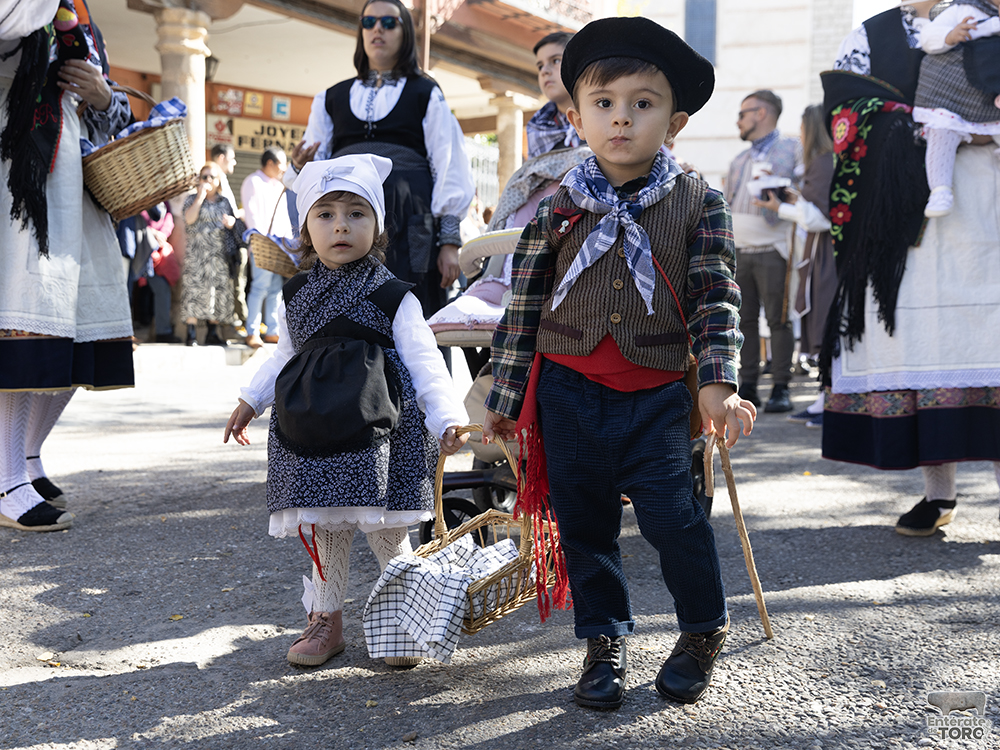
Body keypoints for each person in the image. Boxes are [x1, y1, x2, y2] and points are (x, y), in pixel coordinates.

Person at [483, 17, 755, 709]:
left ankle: (702, 629)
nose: (622, 119)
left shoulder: (700, 202)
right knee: (584, 524)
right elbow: (524, 305)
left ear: (676, 120)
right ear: (577, 117)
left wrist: (718, 387)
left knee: (674, 520)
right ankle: (603, 639)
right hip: (568, 393)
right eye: (604, 104)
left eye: (643, 103)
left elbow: (715, 298)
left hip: (658, 396)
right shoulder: (559, 207)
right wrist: (507, 398)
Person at [224, 154, 468, 667]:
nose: (341, 225)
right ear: (305, 226)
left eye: (356, 213)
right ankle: (325, 620)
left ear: (377, 226)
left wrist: (445, 416)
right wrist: (250, 398)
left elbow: (425, 358)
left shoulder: (393, 295)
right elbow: (283, 355)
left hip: (380, 430)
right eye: (325, 214)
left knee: (386, 529)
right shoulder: (296, 295)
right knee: (327, 526)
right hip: (313, 427)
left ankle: (405, 621)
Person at [822, 1, 1000, 536]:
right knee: (927, 341)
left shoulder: (985, 17)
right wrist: (922, 124)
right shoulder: (870, 36)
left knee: (992, 339)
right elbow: (843, 114)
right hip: (907, 219)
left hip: (989, 200)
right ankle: (937, 494)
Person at [0, 0, 134, 532]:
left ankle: (26, 461)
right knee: (30, 322)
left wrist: (102, 94)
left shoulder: (78, 9)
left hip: (73, 181)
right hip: (19, 178)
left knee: (80, 327)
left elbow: (111, 114)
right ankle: (6, 480)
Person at [286, 0, 474, 324]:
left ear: (405, 32)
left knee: (415, 310)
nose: (377, 29)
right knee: (347, 311)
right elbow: (312, 173)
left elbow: (449, 163)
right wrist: (298, 168)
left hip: (411, 215)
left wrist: (449, 242)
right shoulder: (330, 97)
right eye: (369, 22)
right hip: (350, 214)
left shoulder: (425, 92)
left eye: (388, 22)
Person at [752, 104, 835, 429]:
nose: (798, 135)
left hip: (826, 254)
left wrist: (782, 207)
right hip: (818, 253)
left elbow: (821, 217)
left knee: (826, 322)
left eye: (801, 129)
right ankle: (824, 398)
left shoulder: (824, 164)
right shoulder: (824, 163)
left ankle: (829, 398)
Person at [725, 90, 801, 414]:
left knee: (778, 319)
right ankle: (750, 385)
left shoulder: (794, 148)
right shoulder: (738, 159)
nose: (738, 121)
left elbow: (804, 194)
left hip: (773, 247)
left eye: (743, 114)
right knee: (744, 322)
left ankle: (782, 386)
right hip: (739, 250)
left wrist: (783, 191)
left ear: (760, 113)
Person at [913, 0, 1000, 217]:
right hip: (951, 95)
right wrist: (950, 36)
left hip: (990, 99)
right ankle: (940, 190)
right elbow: (927, 37)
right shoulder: (963, 10)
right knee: (942, 132)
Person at [181, 162, 238, 346]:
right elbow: (189, 219)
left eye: (211, 177)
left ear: (218, 180)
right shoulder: (192, 199)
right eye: (204, 177)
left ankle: (212, 333)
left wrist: (231, 223)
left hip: (219, 253)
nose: (207, 180)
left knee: (217, 291)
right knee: (194, 290)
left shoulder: (225, 201)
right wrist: (200, 196)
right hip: (197, 253)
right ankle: (191, 334)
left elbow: (233, 223)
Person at [242, 147, 292, 348]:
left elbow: (284, 218)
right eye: (281, 163)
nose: (284, 168)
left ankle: (271, 330)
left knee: (274, 290)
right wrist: (263, 240)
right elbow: (252, 214)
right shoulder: (253, 182)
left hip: (279, 246)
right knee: (259, 287)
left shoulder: (277, 186)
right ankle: (252, 331)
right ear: (270, 163)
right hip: (263, 245)